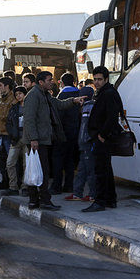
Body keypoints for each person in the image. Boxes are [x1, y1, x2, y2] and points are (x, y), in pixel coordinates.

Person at [23, 71, 86, 211]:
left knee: (39, 171)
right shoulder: (34, 95)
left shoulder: (45, 95)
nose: (52, 82)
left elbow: (59, 104)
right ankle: (42, 201)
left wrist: (74, 101)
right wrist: (33, 139)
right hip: (37, 141)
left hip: (43, 139)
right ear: (41, 82)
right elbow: (29, 119)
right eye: (49, 80)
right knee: (40, 172)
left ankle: (35, 201)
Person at [83, 66, 124, 212]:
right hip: (101, 137)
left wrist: (102, 135)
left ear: (106, 79)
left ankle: (100, 201)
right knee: (105, 169)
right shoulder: (104, 92)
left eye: (100, 79)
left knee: (100, 170)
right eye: (95, 79)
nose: (97, 82)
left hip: (103, 138)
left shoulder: (108, 93)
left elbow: (112, 117)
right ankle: (109, 199)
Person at [50, 73, 80, 194]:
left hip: (62, 132)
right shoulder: (78, 93)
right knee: (70, 160)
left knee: (57, 159)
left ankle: (56, 186)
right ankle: (69, 185)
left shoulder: (62, 95)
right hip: (75, 132)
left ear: (62, 82)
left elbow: (58, 115)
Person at [65, 86, 96, 202]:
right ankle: (77, 193)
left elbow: (85, 128)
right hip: (84, 143)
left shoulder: (88, 108)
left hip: (86, 143)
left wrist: (83, 140)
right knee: (82, 169)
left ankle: (93, 194)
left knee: (89, 170)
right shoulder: (87, 107)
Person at [6, 86, 28, 194]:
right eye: (16, 94)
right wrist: (12, 133)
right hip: (15, 138)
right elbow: (9, 122)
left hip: (27, 138)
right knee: (10, 163)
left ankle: (25, 186)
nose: (18, 96)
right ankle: (13, 186)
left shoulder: (30, 106)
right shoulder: (14, 108)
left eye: (20, 93)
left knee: (26, 164)